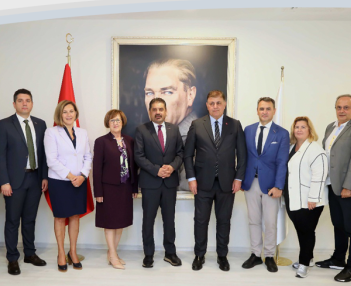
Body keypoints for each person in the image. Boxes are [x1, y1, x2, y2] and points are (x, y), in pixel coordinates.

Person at [184, 90, 247, 272]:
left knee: (224, 221)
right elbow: (188, 155)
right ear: (207, 105)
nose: (215, 106)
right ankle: (199, 255)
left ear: (224, 104)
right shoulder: (197, 125)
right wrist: (191, 178)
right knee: (200, 221)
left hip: (227, 183)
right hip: (202, 183)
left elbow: (242, 155)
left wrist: (238, 178)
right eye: (212, 103)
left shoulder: (235, 125)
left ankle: (222, 256)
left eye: (218, 103)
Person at [0, 88, 49, 275]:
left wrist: (44, 176)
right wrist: (4, 181)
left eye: (27, 100)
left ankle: (30, 254)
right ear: (14, 104)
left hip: (35, 178)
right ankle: (12, 258)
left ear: (32, 103)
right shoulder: (4, 124)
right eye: (20, 100)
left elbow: (43, 153)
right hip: (14, 181)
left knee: (29, 219)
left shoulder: (40, 124)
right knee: (12, 220)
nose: (24, 103)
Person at [315, 94, 351, 282]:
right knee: (338, 224)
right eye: (339, 107)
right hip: (331, 184)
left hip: (347, 187)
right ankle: (338, 259)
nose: (342, 111)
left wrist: (348, 186)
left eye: (346, 107)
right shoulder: (331, 127)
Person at [241, 97, 290, 273]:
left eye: (268, 109)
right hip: (250, 182)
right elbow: (243, 157)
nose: (264, 112)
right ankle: (255, 254)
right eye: (261, 108)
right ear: (257, 110)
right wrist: (240, 179)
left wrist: (279, 186)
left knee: (270, 222)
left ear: (274, 111)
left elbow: (282, 161)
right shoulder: (248, 130)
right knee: (253, 221)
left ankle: (269, 255)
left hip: (271, 186)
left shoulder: (282, 133)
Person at [134, 97, 184, 268]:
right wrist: (157, 170)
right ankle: (148, 255)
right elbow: (138, 156)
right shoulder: (141, 130)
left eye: (161, 109)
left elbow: (180, 153)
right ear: (149, 112)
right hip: (150, 183)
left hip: (170, 183)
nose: (158, 112)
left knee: (169, 220)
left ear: (165, 111)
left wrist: (172, 167)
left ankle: (170, 253)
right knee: (148, 220)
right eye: (154, 109)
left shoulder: (174, 129)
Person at [44, 100, 92, 272]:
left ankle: (73, 252)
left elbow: (88, 156)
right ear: (59, 114)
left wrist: (83, 176)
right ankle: (60, 253)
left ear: (76, 113)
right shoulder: (51, 132)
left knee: (75, 216)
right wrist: (71, 176)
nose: (69, 114)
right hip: (60, 182)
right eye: (65, 112)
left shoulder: (82, 132)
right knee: (59, 217)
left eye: (71, 111)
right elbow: (51, 160)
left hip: (79, 181)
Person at [143, 59, 198, 190]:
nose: (156, 102)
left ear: (190, 95)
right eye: (149, 93)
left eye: (167, 92)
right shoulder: (147, 134)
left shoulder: (196, 138)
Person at [93, 109, 138, 269]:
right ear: (108, 123)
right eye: (112, 120)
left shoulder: (129, 140)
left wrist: (134, 186)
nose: (115, 123)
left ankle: (113, 252)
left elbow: (134, 166)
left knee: (121, 222)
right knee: (110, 222)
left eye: (118, 120)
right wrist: (98, 192)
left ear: (122, 122)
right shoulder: (101, 142)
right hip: (108, 189)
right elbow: (97, 169)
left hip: (125, 188)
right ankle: (112, 255)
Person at [285, 116, 328, 279]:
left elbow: (320, 175)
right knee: (300, 229)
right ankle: (308, 258)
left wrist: (313, 198)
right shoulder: (292, 147)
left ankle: (304, 264)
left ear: (310, 130)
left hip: (309, 199)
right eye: (297, 127)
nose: (299, 130)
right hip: (293, 196)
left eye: (303, 127)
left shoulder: (315, 149)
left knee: (307, 231)